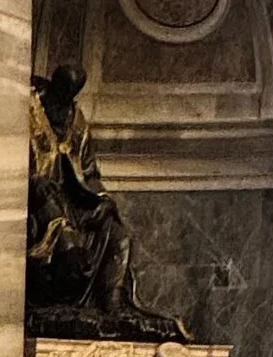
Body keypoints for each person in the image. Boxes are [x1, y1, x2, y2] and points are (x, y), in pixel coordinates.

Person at [26, 67, 182, 339]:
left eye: (72, 94)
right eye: (63, 90)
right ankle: (62, 277)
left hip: (73, 200)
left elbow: (90, 173)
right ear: (54, 85)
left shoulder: (77, 121)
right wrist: (34, 182)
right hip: (36, 201)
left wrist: (102, 201)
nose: (67, 99)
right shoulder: (27, 109)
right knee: (63, 234)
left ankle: (113, 303)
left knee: (116, 233)